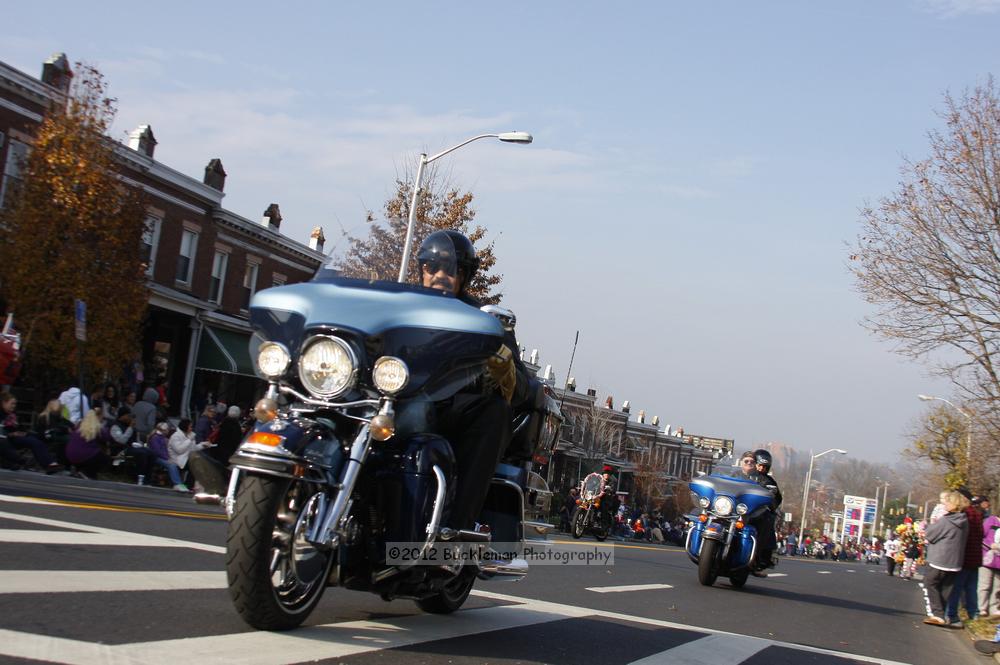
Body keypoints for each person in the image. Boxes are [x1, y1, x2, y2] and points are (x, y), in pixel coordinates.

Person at [416, 230, 528, 532]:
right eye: (432, 267)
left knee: (495, 412)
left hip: (452, 413)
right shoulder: (402, 308)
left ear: (464, 276)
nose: (440, 275)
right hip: (402, 404)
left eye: (451, 269)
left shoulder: (485, 320)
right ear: (422, 270)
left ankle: (454, 528)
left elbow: (524, 391)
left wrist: (506, 372)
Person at [923, 490, 969, 626]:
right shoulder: (964, 520)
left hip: (939, 559)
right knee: (945, 588)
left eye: (947, 501)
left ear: (953, 504)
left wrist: (931, 524)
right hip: (955, 561)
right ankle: (940, 614)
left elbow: (930, 535)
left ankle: (937, 614)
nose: (945, 504)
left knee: (930, 583)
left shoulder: (947, 520)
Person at [189, 405, 244, 496]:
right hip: (226, 451)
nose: (213, 414)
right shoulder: (236, 426)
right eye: (212, 412)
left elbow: (217, 436)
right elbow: (237, 440)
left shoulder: (223, 422)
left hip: (217, 449)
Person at [1, 392, 62, 473]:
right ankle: (15, 460)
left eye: (15, 404)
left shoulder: (14, 414)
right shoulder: (1, 414)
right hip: (4, 438)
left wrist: (21, 430)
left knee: (34, 440)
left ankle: (49, 464)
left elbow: (22, 427)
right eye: (11, 404)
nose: (13, 406)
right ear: (4, 403)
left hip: (15, 437)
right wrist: (10, 433)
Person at [946, 492, 983, 626]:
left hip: (963, 556)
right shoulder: (977, 514)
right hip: (976, 556)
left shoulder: (962, 515)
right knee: (971, 587)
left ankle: (951, 614)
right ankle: (974, 613)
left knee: (956, 587)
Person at [748, 448, 781, 577]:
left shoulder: (770, 482)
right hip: (739, 509)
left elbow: (777, 499)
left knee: (767, 521)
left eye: (764, 466)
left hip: (757, 513)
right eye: (759, 465)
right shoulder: (743, 475)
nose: (761, 468)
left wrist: (772, 501)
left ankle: (758, 558)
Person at [109, 408, 155, 485]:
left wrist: (141, 445)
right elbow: (122, 440)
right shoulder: (115, 426)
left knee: (151, 452)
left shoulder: (133, 427)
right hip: (121, 450)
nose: (130, 418)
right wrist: (130, 428)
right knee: (142, 454)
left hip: (132, 448)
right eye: (128, 416)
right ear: (122, 416)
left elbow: (137, 440)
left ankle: (147, 479)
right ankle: (139, 478)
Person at [66, 409, 111, 479]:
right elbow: (107, 437)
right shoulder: (97, 427)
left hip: (70, 455)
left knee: (91, 451)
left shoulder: (79, 426)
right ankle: (87, 473)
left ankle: (79, 470)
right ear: (98, 417)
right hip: (84, 455)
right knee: (104, 458)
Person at [148, 422, 188, 492]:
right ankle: (177, 484)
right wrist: (167, 458)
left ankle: (182, 483)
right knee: (171, 465)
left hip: (164, 457)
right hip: (156, 458)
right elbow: (157, 452)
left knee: (179, 463)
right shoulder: (155, 438)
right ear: (164, 430)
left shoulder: (164, 438)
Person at [34, 398, 73, 465]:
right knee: (67, 439)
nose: (61, 408)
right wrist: (66, 430)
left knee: (69, 439)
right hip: (46, 437)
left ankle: (65, 463)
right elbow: (52, 429)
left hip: (56, 436)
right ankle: (64, 464)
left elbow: (71, 425)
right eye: (59, 406)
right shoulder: (44, 417)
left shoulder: (59, 417)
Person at [979, 507, 1000, 617]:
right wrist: (989, 546)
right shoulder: (992, 520)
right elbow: (981, 535)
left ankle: (994, 608)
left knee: (997, 587)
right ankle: (982, 608)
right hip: (987, 558)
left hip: (999, 562)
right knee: (984, 584)